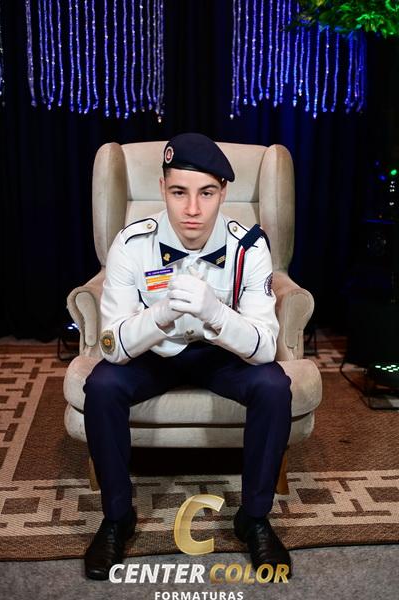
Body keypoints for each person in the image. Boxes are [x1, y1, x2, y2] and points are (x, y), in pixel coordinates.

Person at [83, 132, 293, 580]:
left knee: (274, 386)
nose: (193, 209)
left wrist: (216, 313)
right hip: (153, 354)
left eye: (207, 193)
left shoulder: (249, 247)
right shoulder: (131, 243)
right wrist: (159, 315)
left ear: (224, 192)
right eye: (179, 192)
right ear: (162, 189)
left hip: (219, 354)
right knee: (100, 385)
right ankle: (117, 517)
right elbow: (112, 346)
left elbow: (263, 348)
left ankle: (254, 518)